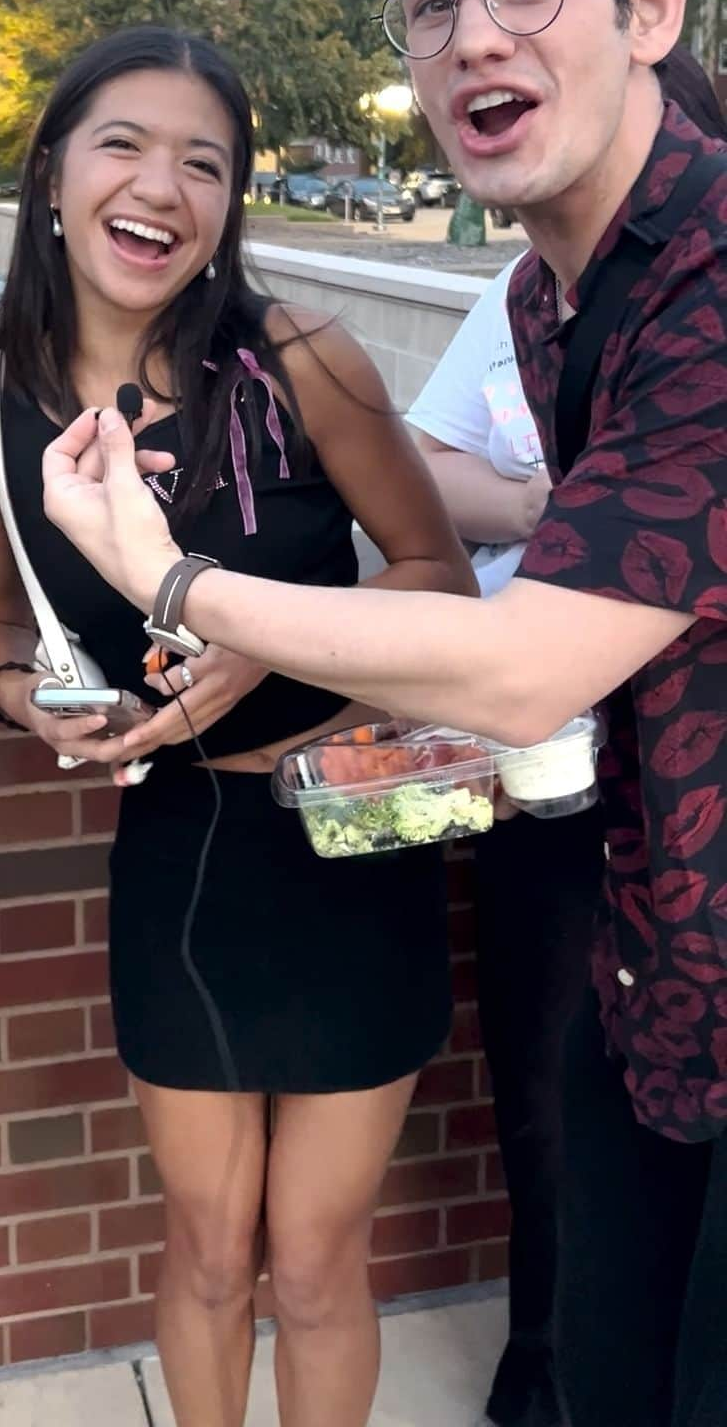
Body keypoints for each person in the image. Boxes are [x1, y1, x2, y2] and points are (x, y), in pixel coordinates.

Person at [40, 0, 727, 1427]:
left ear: (648, 10)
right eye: (434, 3)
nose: (473, 35)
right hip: (655, 980)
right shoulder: (553, 294)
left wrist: (176, 577)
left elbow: (521, 661)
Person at [0, 25, 475, 1427]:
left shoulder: (304, 359)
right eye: (126, 144)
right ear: (54, 169)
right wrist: (32, 701)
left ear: (232, 203)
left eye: (206, 163)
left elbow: (440, 583)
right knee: (204, 1252)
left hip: (357, 828)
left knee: (314, 1264)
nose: (163, 188)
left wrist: (273, 660)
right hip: (180, 853)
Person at [407, 268, 603, 1427]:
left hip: (683, 774)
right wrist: (550, 506)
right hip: (534, 766)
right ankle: (546, 1356)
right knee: (536, 1078)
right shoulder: (523, 293)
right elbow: (426, 473)